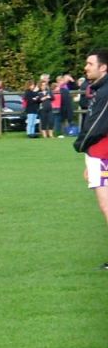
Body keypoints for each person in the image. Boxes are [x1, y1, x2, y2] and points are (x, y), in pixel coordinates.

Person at [72, 49, 108, 270]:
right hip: (98, 156)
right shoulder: (100, 89)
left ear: (103, 67)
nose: (86, 68)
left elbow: (97, 126)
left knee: (107, 206)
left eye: (89, 64)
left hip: (103, 156)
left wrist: (81, 145)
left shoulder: (105, 92)